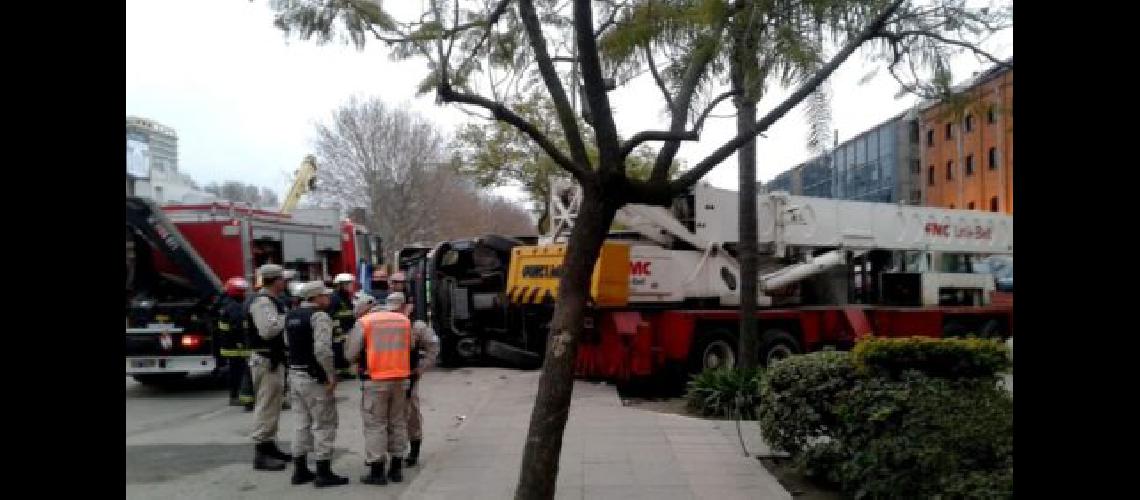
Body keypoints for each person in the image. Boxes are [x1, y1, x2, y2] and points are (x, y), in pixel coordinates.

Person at [344, 291, 421, 485]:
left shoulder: (365, 323)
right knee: (398, 422)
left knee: (376, 424)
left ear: (364, 309)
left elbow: (350, 354)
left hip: (375, 380)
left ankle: (377, 472)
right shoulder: (403, 320)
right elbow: (411, 347)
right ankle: (396, 469)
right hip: (401, 379)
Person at [284, 281, 349, 487]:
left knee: (300, 422)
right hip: (314, 378)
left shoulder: (291, 315)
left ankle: (300, 469)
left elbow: (287, 343)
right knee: (324, 423)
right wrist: (330, 376)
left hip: (295, 374)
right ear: (316, 297)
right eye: (324, 295)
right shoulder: (319, 317)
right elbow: (322, 350)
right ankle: (323, 471)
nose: (328, 298)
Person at [245, 264, 292, 471]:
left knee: (272, 405)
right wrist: (288, 318)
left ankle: (270, 446)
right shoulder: (263, 303)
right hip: (265, 360)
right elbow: (268, 330)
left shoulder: (272, 301)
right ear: (275, 280)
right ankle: (261, 453)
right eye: (283, 279)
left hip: (273, 359)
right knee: (266, 405)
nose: (285, 283)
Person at [403, 295, 439, 467]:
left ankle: (413, 451)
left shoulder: (416, 327)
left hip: (408, 378)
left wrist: (421, 368)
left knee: (411, 415)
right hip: (383, 379)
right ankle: (387, 458)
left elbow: (433, 347)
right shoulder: (380, 323)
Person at [218, 277, 255, 409]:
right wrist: (242, 343)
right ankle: (236, 396)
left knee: (235, 371)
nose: (245, 294)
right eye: (243, 291)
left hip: (229, 345)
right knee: (239, 372)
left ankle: (234, 395)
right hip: (236, 346)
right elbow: (238, 327)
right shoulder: (235, 307)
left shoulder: (225, 303)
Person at [328, 273, 357, 380]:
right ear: (339, 285)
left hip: (346, 331)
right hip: (338, 332)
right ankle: (338, 372)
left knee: (345, 351)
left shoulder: (346, 298)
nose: (350, 286)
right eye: (347, 284)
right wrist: (336, 329)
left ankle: (345, 371)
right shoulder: (335, 298)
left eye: (350, 284)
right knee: (338, 351)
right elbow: (330, 315)